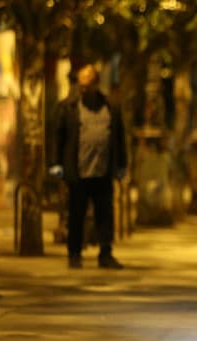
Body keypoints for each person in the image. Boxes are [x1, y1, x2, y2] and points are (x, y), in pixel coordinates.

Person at [50, 63, 127, 269]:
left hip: (103, 171)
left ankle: (105, 253)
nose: (83, 89)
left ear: (96, 84)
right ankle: (74, 254)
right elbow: (57, 137)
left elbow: (119, 138)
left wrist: (121, 165)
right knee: (76, 215)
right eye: (81, 85)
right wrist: (55, 163)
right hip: (78, 172)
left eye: (87, 85)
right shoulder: (68, 107)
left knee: (105, 215)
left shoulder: (110, 107)